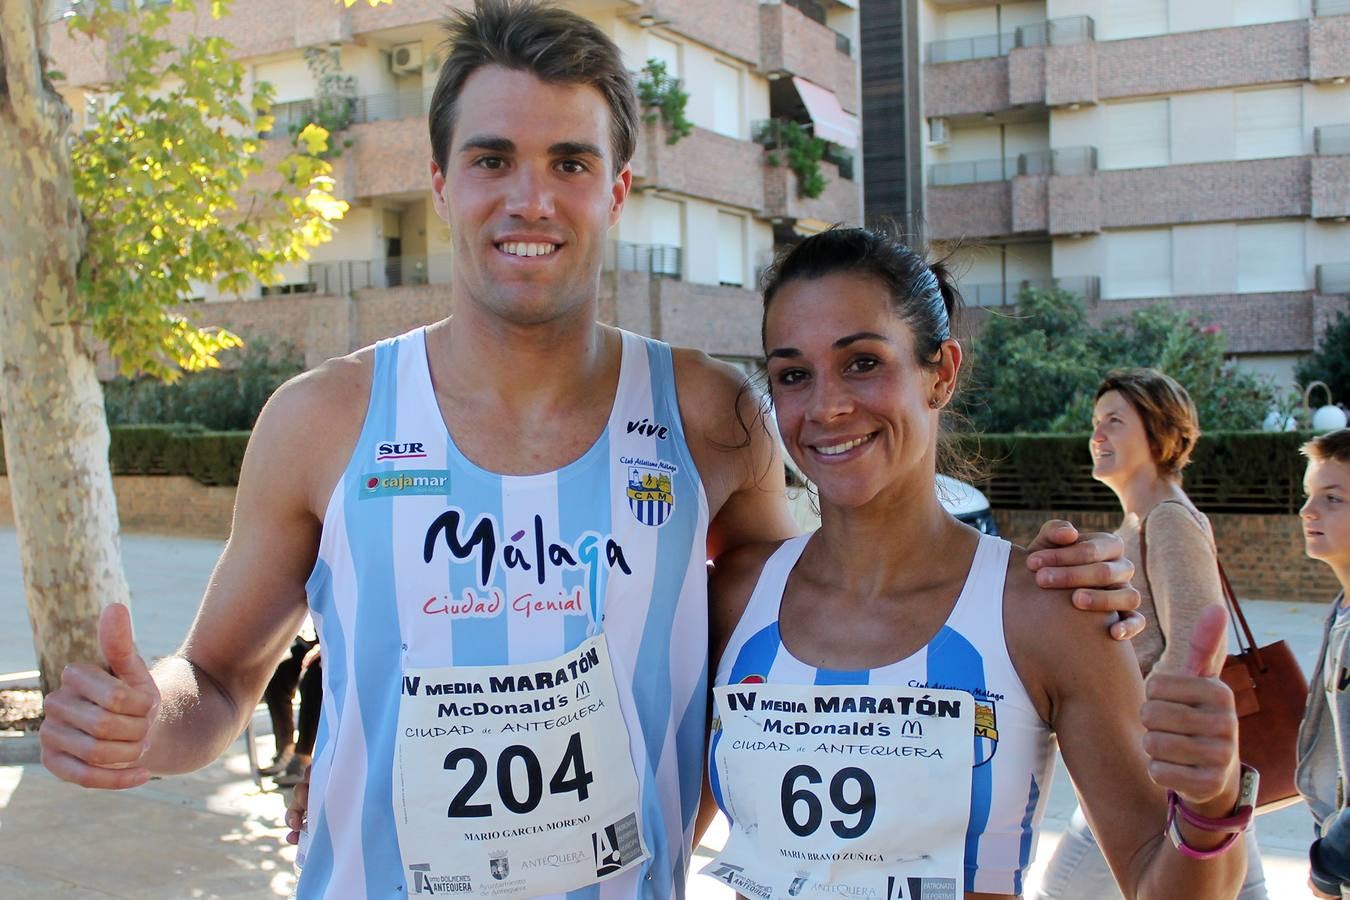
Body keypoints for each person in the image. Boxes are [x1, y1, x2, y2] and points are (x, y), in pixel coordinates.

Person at [39, 4, 1141, 898]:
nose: (531, 197)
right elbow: (224, 675)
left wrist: (1035, 592)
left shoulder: (714, 416)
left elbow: (818, 608)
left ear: (618, 191)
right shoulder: (322, 418)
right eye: (492, 159)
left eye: (571, 161)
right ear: (440, 184)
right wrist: (150, 721)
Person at [704, 229, 1252, 899]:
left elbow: (1156, 884)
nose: (825, 407)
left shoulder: (1048, 608)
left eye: (863, 363)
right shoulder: (736, 597)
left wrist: (1211, 802)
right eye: (793, 375)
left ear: (942, 373)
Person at [1032, 369, 1267, 898]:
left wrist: (1128, 726)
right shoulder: (1139, 524)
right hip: (1165, 766)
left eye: (1114, 420)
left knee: (1061, 890)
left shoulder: (1167, 519)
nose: (1097, 434)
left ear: (1159, 431)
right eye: (1095, 422)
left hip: (1154, 769)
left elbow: (1196, 648)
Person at [1295, 428, 1350, 899]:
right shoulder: (1342, 609)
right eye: (1309, 495)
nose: (1308, 511)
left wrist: (1327, 867)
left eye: (1333, 498)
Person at [259, 629, 321, 785]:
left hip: (340, 644)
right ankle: (286, 749)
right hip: (312, 640)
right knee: (278, 679)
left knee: (312, 678)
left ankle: (302, 758)